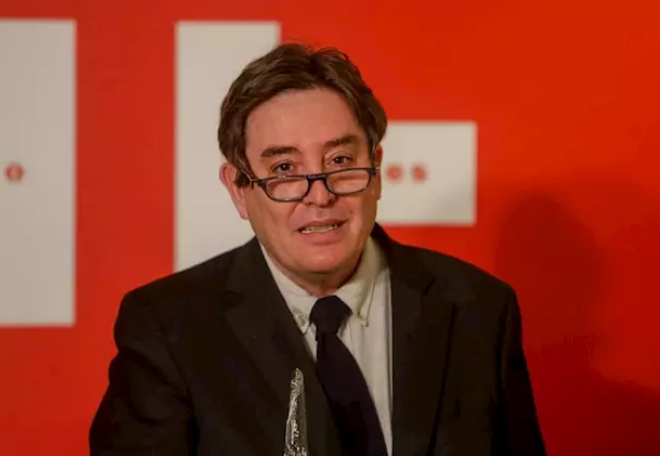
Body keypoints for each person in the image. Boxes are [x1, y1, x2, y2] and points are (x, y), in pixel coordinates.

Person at [89, 43, 546, 456]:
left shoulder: (478, 310)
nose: (320, 195)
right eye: (284, 169)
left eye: (340, 161)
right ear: (239, 190)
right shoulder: (170, 329)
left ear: (376, 170)